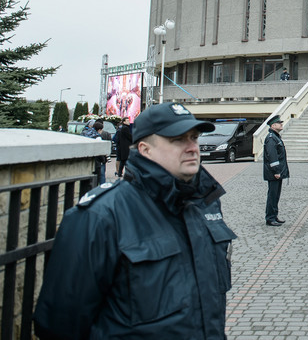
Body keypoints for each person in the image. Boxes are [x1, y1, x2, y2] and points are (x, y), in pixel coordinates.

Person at [33, 103, 236, 339]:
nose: (192, 147)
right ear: (145, 149)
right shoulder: (100, 215)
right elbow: (60, 323)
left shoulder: (206, 203)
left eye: (194, 137)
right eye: (178, 139)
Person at [263, 115, 289, 226]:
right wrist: (276, 171)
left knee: (276, 195)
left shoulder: (275, 137)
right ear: (273, 126)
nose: (281, 124)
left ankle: (274, 215)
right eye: (279, 123)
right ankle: (270, 218)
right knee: (272, 195)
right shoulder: (271, 138)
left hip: (277, 172)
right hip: (274, 173)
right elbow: (272, 157)